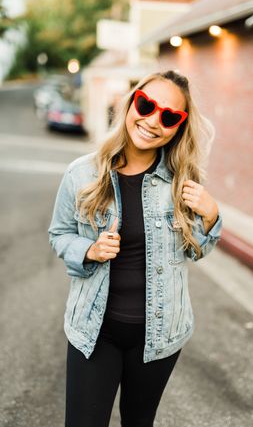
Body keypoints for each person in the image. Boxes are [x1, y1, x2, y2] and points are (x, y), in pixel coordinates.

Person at [48, 69, 223, 427]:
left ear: (178, 126)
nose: (153, 121)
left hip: (160, 336)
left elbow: (194, 251)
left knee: (139, 422)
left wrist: (211, 216)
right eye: (146, 105)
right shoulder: (81, 174)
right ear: (131, 103)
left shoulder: (182, 183)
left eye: (169, 116)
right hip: (95, 332)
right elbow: (59, 233)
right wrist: (89, 250)